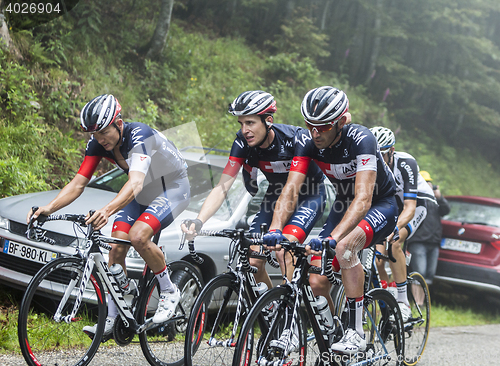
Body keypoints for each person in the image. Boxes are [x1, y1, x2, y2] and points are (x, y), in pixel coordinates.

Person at [27, 94, 191, 339]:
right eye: (94, 134)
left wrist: (106, 210)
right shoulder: (98, 144)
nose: (99, 139)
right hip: (144, 190)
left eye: (103, 131)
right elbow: (78, 183)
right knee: (115, 247)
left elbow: (135, 182)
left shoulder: (139, 136)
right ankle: (114, 318)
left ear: (119, 124)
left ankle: (169, 290)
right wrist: (48, 208)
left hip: (173, 188)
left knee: (138, 236)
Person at [264, 86, 399, 354]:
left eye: (323, 127)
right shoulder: (308, 142)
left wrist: (334, 237)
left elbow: (363, 198)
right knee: (317, 280)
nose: (315, 133)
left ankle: (357, 331)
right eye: (309, 126)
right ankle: (332, 329)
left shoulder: (362, 139)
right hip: (344, 205)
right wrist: (276, 228)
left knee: (344, 248)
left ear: (342, 122)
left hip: (381, 203)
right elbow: (290, 191)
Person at [181, 90, 326, 290]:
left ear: (268, 120)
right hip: (276, 194)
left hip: (309, 195)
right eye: (241, 123)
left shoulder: (296, 139)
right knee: (253, 261)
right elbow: (222, 186)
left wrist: (275, 229)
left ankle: (288, 305)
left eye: (250, 123)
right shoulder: (243, 143)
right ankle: (271, 310)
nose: (244, 130)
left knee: (283, 250)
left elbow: (292, 189)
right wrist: (199, 220)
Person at [370, 127, 437, 322]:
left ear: (391, 151)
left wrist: (394, 228)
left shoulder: (406, 162)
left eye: (382, 155)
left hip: (416, 204)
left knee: (395, 241)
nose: (378, 161)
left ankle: (403, 302)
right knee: (377, 256)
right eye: (375, 156)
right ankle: (388, 290)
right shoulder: (368, 165)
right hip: (390, 205)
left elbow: (409, 207)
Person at [407, 171, 450, 285]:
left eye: (429, 183)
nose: (427, 185)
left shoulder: (435, 200)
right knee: (419, 274)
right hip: (418, 241)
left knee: (429, 276)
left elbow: (446, 210)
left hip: (433, 241)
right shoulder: (414, 197)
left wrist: (439, 197)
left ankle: (422, 302)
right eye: (425, 183)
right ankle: (417, 301)